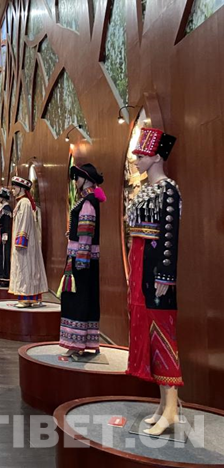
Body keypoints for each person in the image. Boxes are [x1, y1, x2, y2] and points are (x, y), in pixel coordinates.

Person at [125, 128, 182, 436]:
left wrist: (165, 275)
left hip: (155, 271)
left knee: (162, 334)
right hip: (140, 267)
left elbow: (170, 236)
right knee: (149, 331)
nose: (136, 159)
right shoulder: (147, 190)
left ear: (157, 156)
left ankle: (171, 409)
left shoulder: (167, 190)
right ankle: (163, 404)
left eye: (142, 154)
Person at [59, 163, 106, 356]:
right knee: (86, 297)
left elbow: (86, 232)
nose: (75, 181)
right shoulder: (89, 199)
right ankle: (86, 341)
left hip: (81, 260)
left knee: (78, 299)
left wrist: (80, 260)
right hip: (83, 258)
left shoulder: (88, 201)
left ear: (86, 179)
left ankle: (75, 343)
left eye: (77, 177)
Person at [8, 176, 49, 307]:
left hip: (24, 245)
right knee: (26, 269)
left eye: (14, 187)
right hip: (25, 243)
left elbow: (24, 223)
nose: (13, 190)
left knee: (26, 269)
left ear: (21, 188)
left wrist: (20, 241)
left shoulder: (24, 203)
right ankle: (29, 297)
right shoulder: (22, 202)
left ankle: (27, 297)